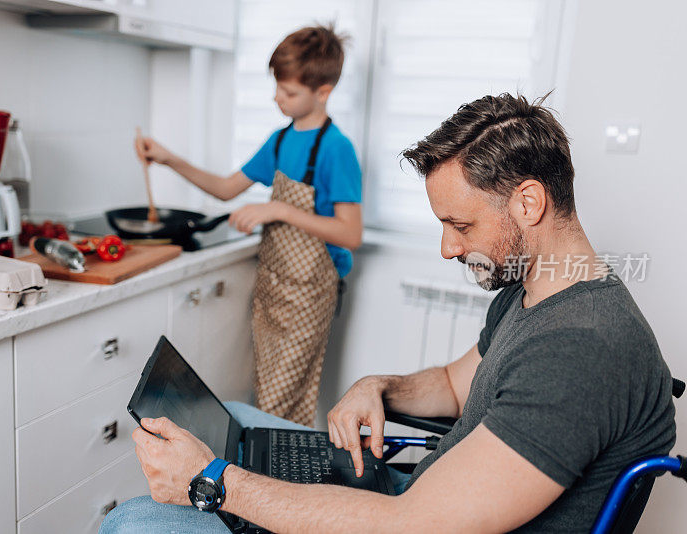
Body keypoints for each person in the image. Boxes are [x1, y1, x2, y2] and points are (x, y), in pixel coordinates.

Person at [107, 93, 676, 533]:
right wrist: (377, 387)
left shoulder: (580, 350)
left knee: (135, 519)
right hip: (417, 497)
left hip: (411, 518)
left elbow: (415, 526)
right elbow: (457, 387)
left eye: (461, 225)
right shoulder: (535, 289)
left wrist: (212, 483)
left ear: (529, 202)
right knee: (234, 414)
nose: (449, 249)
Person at [135, 25, 363, 426]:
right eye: (277, 87)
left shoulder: (336, 149)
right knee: (270, 398)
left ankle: (273, 484)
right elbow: (225, 189)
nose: (278, 98)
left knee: (280, 403)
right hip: (273, 288)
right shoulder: (279, 141)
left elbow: (350, 233)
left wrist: (278, 211)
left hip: (311, 294)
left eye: (289, 92)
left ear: (323, 92)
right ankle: (276, 480)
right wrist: (168, 158)